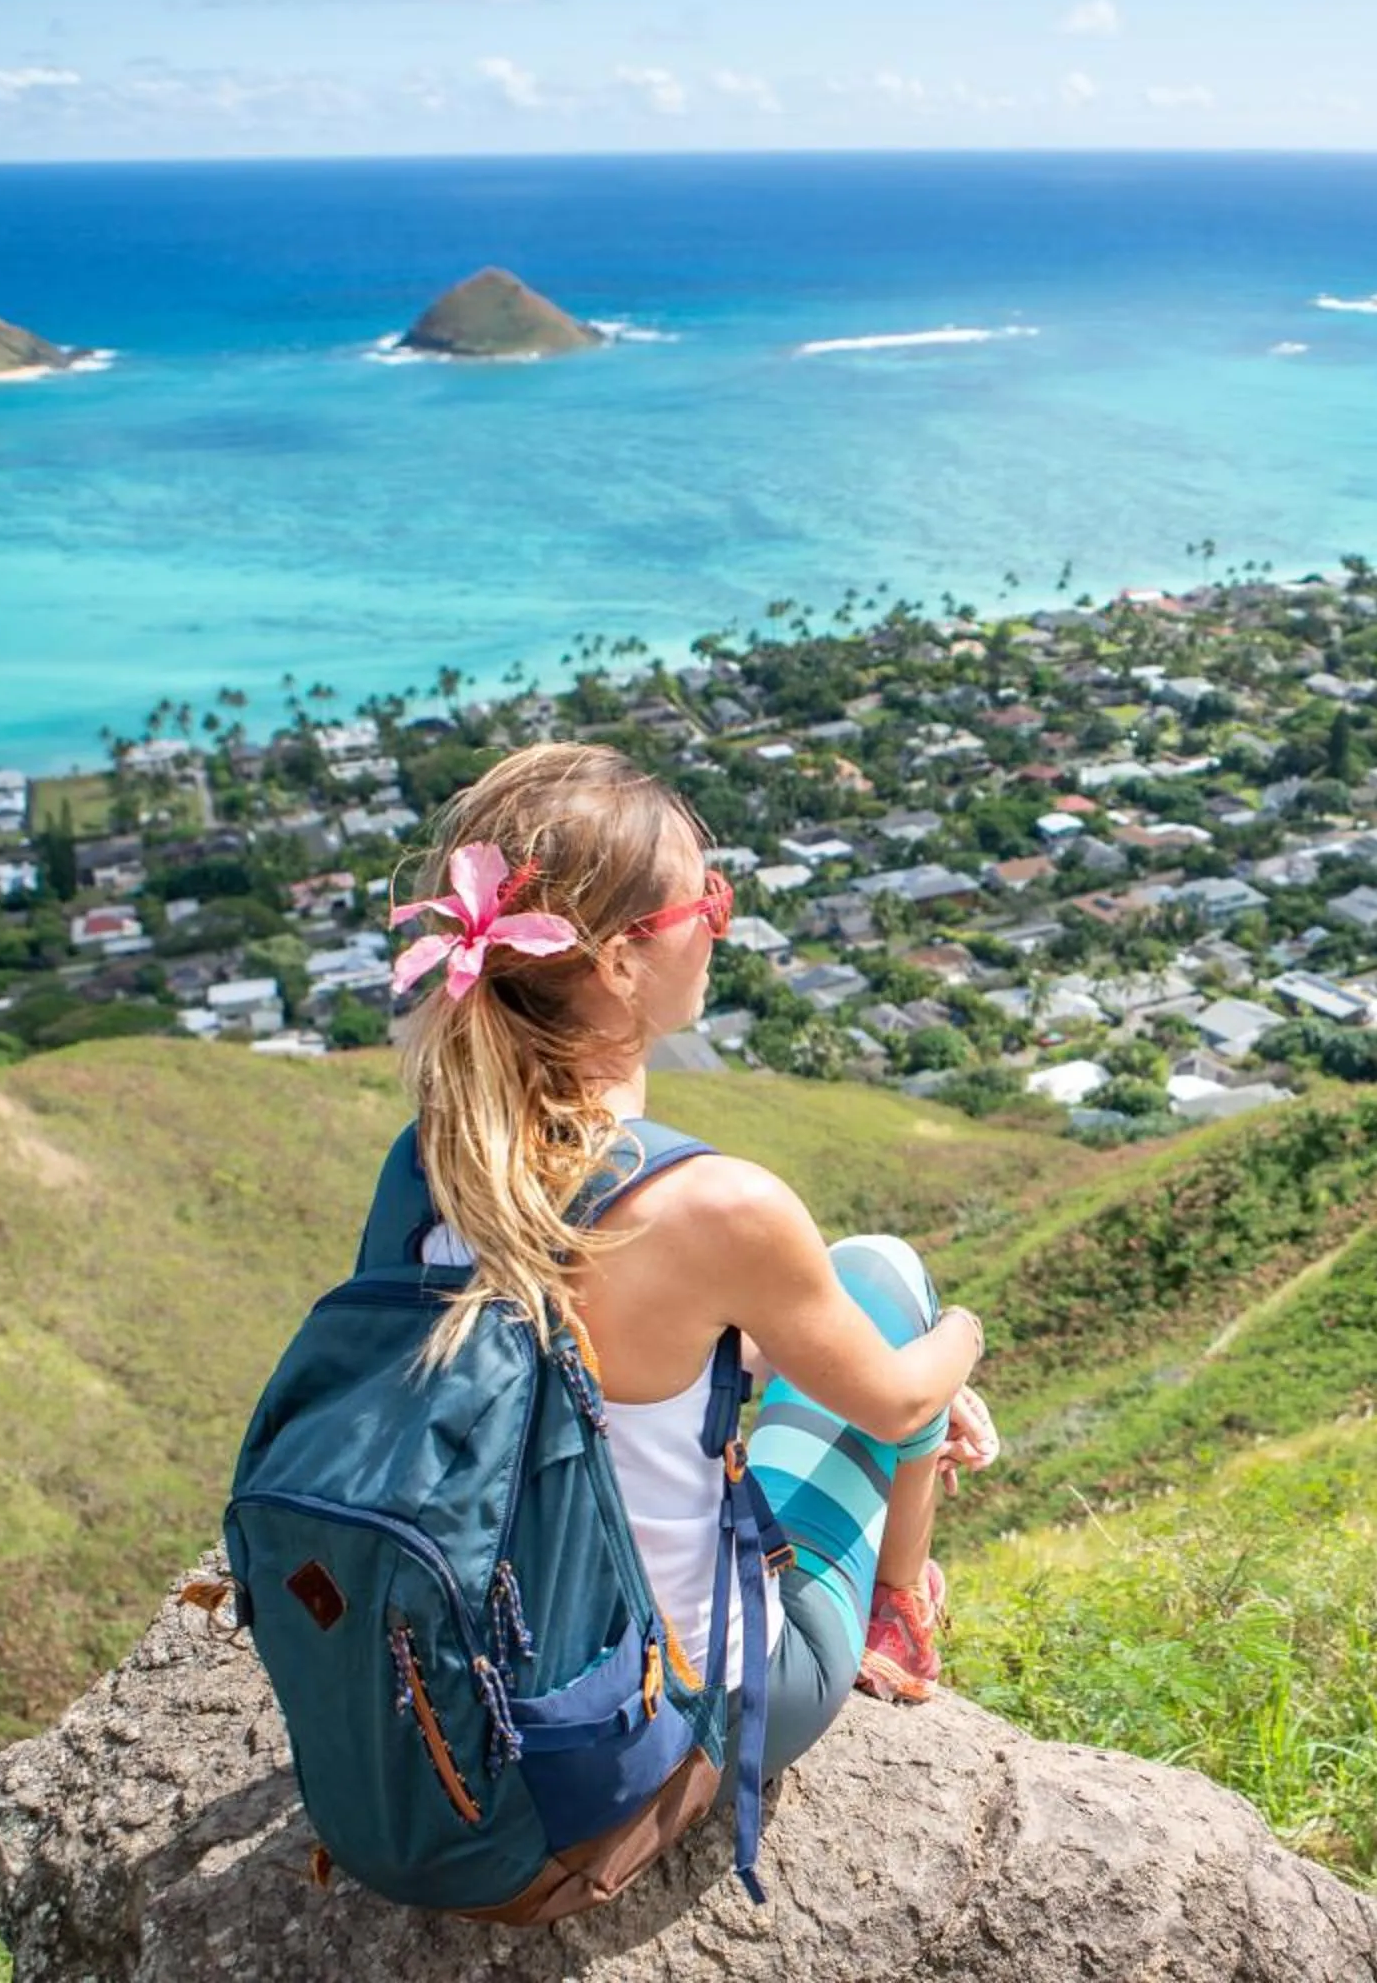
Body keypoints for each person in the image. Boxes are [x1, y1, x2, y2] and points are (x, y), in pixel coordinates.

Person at [391, 739, 998, 1795]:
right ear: (621, 960)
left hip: (491, 1687)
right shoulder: (713, 1206)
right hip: (685, 1708)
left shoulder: (443, 1159)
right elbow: (900, 1403)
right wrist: (958, 1346)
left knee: (840, 1301)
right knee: (887, 1275)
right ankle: (897, 1609)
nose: (721, 923)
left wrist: (855, 1364)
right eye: (705, 904)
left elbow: (625, 1348)